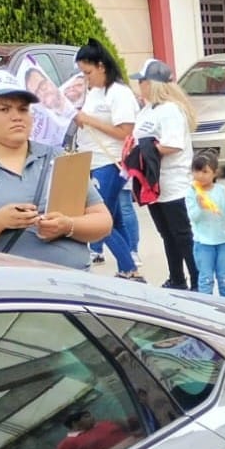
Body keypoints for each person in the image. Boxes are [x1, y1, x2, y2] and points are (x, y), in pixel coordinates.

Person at [0, 69, 113, 267]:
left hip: (73, 286)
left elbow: (102, 221)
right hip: (9, 290)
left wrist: (68, 225)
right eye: (4, 109)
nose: (16, 116)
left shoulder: (58, 157)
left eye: (23, 109)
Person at [72, 40, 144, 280]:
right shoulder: (95, 92)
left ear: (101, 66)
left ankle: (128, 267)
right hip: (93, 160)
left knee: (101, 220)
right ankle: (129, 264)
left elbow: (125, 132)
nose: (86, 78)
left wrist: (89, 120)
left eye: (88, 72)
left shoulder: (119, 94)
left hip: (109, 162)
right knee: (115, 218)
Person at [131, 58, 199, 289]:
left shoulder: (170, 111)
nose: (139, 85)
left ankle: (199, 281)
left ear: (153, 84)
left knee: (183, 236)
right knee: (167, 235)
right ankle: (177, 279)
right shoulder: (148, 109)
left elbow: (173, 145)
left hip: (174, 184)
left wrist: (144, 152)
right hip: (153, 183)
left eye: (142, 81)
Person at [187, 150, 225, 298]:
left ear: (215, 173)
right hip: (203, 243)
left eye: (205, 172)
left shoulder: (221, 190)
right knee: (206, 278)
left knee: (224, 277)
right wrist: (200, 207)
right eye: (196, 171)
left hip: (222, 242)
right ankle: (206, 306)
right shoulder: (191, 193)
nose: (200, 175)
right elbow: (193, 218)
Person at [55, 409, 135, 449]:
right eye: (86, 417)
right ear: (75, 423)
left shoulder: (106, 423)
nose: (92, 418)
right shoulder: (66, 445)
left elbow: (131, 429)